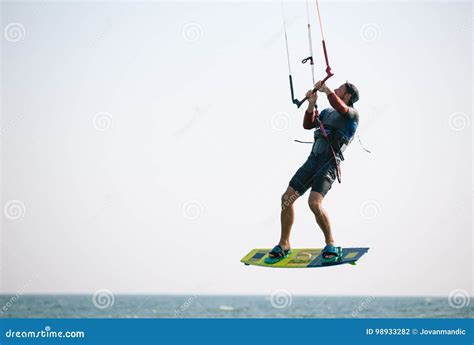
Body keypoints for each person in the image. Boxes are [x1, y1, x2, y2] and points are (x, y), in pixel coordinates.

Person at [265, 81, 360, 265]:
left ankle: (330, 244)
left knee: (314, 203)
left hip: (329, 164)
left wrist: (327, 90)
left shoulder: (352, 115)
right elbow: (307, 125)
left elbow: (339, 107)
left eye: (340, 89)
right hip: (312, 160)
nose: (336, 90)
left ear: (348, 95)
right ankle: (284, 244)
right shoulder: (325, 112)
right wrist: (310, 104)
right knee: (287, 198)